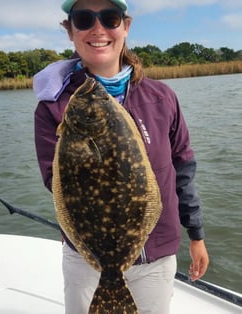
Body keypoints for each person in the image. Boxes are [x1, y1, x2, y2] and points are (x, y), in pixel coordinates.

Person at [33, 0, 209, 313]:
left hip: (155, 256)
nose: (98, 29)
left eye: (110, 18)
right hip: (85, 259)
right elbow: (54, 181)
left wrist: (196, 235)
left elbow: (183, 168)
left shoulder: (162, 98)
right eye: (84, 19)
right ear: (70, 31)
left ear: (125, 26)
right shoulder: (52, 106)